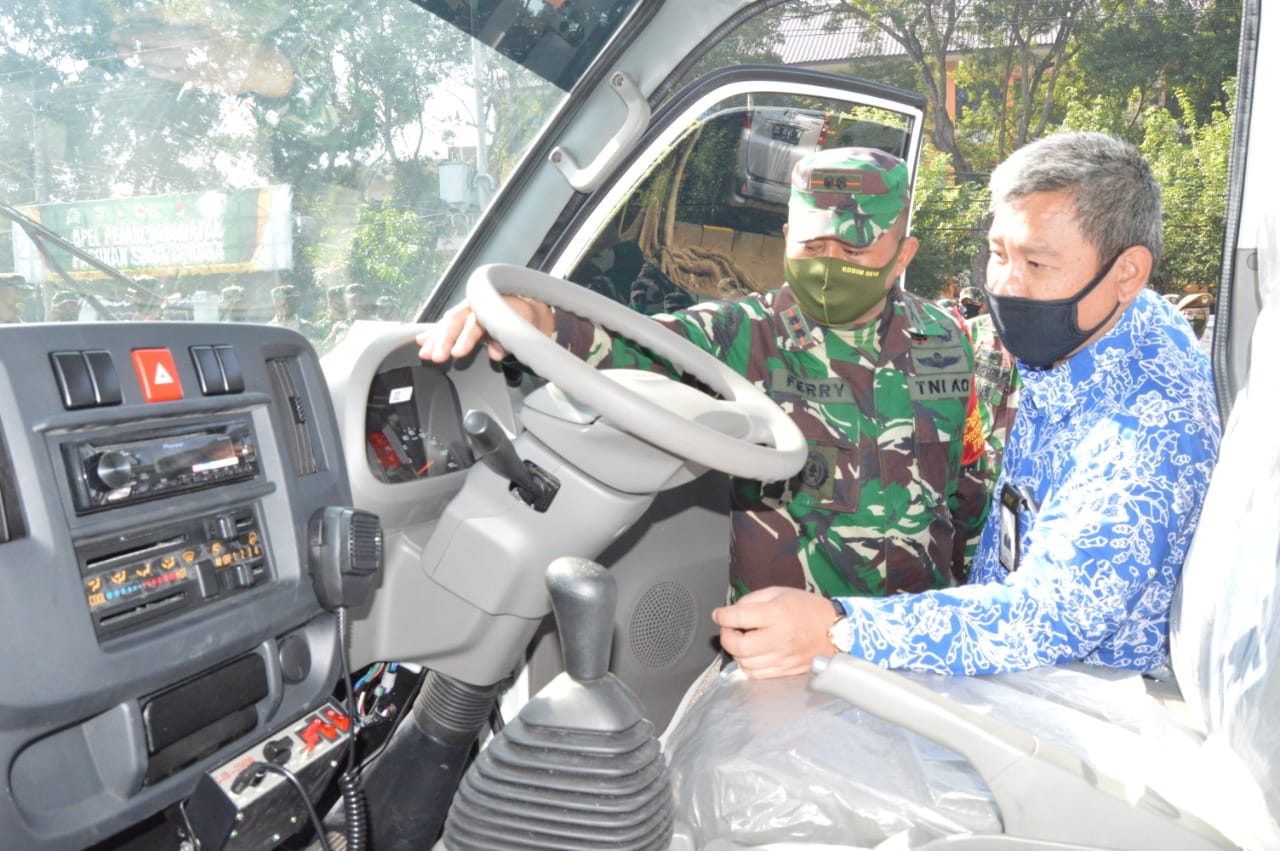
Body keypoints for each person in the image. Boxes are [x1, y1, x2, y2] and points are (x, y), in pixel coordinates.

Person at [713, 132, 1220, 678]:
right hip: (998, 662)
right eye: (999, 254)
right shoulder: (1099, 332)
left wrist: (838, 628)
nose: (1007, 285)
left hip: (1064, 697)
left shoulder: (1150, 427)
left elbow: (1051, 617)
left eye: (1037, 263)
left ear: (1127, 272)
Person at [419, 147, 989, 616]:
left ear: (902, 255)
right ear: (786, 238)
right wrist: (535, 318)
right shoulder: (743, 334)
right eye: (813, 247)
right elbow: (633, 345)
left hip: (917, 637)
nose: (829, 265)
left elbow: (966, 487)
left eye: (854, 249)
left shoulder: (945, 340)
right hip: (786, 651)